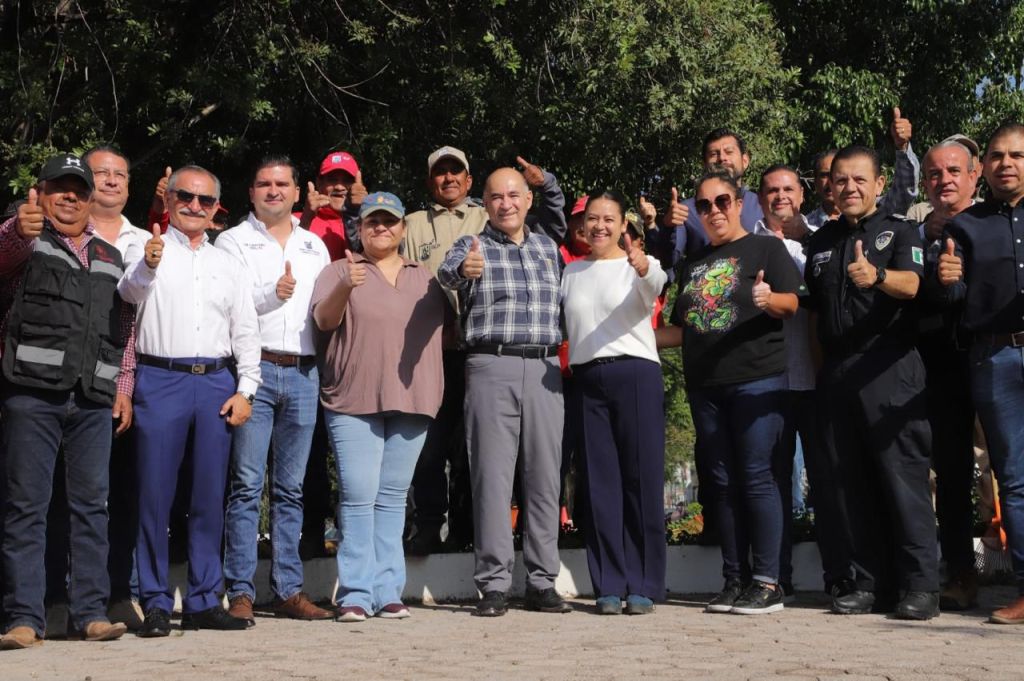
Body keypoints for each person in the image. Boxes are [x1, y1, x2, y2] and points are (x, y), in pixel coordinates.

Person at [118, 165, 261, 636]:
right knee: (154, 497)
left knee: (208, 497)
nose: (195, 206)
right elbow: (128, 293)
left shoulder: (228, 262)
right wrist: (150, 264)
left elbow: (245, 329)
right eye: (186, 196)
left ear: (217, 207)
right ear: (169, 198)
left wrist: (247, 389)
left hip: (216, 383)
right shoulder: (146, 245)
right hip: (162, 378)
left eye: (205, 201)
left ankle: (203, 599)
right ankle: (155, 601)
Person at [0, 154, 134, 649]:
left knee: (90, 510)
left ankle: (91, 614)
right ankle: (22, 619)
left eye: (79, 189)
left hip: (93, 401)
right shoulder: (24, 238)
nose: (71, 197)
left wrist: (123, 388)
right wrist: (18, 227)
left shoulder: (109, 255)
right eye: (59, 188)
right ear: (40, 192)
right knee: (25, 509)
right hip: (30, 395)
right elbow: (4, 253)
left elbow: (125, 328)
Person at [405, 148, 567, 554]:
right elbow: (439, 272)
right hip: (435, 351)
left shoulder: (505, 224)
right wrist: (461, 271)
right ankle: (429, 527)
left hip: (493, 353)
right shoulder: (415, 225)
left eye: (455, 172)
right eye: (439, 173)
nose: (447, 179)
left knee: (477, 454)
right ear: (430, 181)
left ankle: (467, 530)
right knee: (431, 447)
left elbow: (553, 218)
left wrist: (542, 180)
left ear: (468, 179)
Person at [658, 170, 802, 615]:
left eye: (722, 201)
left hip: (758, 379)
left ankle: (768, 581)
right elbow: (683, 329)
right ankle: (734, 579)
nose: (714, 211)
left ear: (740, 203)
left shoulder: (766, 248)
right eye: (704, 205)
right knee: (720, 484)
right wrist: (624, 339)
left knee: (757, 477)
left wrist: (767, 299)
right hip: (707, 386)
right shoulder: (695, 263)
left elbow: (792, 303)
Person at [804, 145, 939, 620]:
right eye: (841, 180)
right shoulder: (819, 244)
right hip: (838, 372)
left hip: (890, 366)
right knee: (849, 483)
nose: (850, 188)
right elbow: (815, 316)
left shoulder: (901, 232)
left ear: (880, 184)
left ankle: (920, 585)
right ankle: (867, 583)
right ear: (831, 187)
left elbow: (916, 285)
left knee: (902, 479)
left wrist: (877, 275)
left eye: (860, 180)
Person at [438, 168, 571, 617]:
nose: (506, 204)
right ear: (485, 203)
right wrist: (462, 268)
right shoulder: (470, 245)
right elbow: (447, 274)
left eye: (514, 195)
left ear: (528, 200)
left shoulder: (549, 248)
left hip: (545, 367)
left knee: (544, 479)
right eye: (496, 197)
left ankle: (541, 582)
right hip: (490, 365)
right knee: (492, 479)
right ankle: (494, 584)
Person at [311, 192, 447, 621]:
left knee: (391, 498)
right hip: (353, 398)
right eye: (373, 222)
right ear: (360, 229)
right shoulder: (338, 270)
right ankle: (354, 592)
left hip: (412, 399)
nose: (381, 228)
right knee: (357, 495)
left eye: (390, 221)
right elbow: (323, 321)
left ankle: (388, 591)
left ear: (403, 229)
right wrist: (346, 286)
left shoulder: (424, 276)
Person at [217, 156, 332, 624]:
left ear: (297, 192)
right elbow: (230, 308)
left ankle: (288, 589)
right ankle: (241, 591)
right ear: (251, 192)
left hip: (305, 373)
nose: (273, 191)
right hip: (255, 371)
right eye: (263, 183)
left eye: (282, 183)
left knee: (291, 489)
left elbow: (324, 314)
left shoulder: (314, 246)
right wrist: (272, 294)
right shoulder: (232, 242)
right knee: (246, 487)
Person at [560, 191, 667, 615]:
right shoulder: (570, 272)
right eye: (592, 219)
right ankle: (607, 583)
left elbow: (655, 284)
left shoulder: (639, 264)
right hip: (586, 378)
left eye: (609, 219)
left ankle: (643, 584)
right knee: (599, 484)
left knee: (640, 480)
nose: (600, 226)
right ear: (582, 226)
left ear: (624, 225)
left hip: (635, 373)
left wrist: (643, 267)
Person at [937, 121, 1024, 624]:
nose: (1005, 163)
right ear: (983, 168)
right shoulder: (964, 228)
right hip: (994, 357)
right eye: (996, 156)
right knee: (1013, 478)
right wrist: (949, 281)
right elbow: (954, 301)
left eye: (1015, 155)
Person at [753, 164, 846, 599]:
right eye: (771, 190)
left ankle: (839, 574)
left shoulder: (823, 237)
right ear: (759, 198)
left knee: (828, 480)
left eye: (788, 188)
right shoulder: (747, 241)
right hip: (765, 378)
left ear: (802, 195)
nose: (780, 196)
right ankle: (776, 576)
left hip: (816, 374)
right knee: (773, 484)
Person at [915, 138, 981, 611]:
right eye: (936, 173)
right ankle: (960, 571)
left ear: (974, 175)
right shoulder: (916, 233)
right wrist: (925, 240)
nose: (946, 181)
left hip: (999, 358)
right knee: (953, 473)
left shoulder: (1000, 220)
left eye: (955, 171)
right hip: (943, 366)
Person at [804, 107, 921, 229]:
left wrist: (902, 146)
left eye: (857, 179)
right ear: (815, 183)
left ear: (879, 184)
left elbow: (905, 189)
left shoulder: (879, 209)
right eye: (824, 175)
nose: (849, 187)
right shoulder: (805, 227)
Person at [298, 150, 366, 260]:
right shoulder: (296, 220)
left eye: (347, 181)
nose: (339, 187)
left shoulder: (373, 222)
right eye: (332, 180)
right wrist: (306, 219)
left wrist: (360, 212)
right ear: (319, 183)